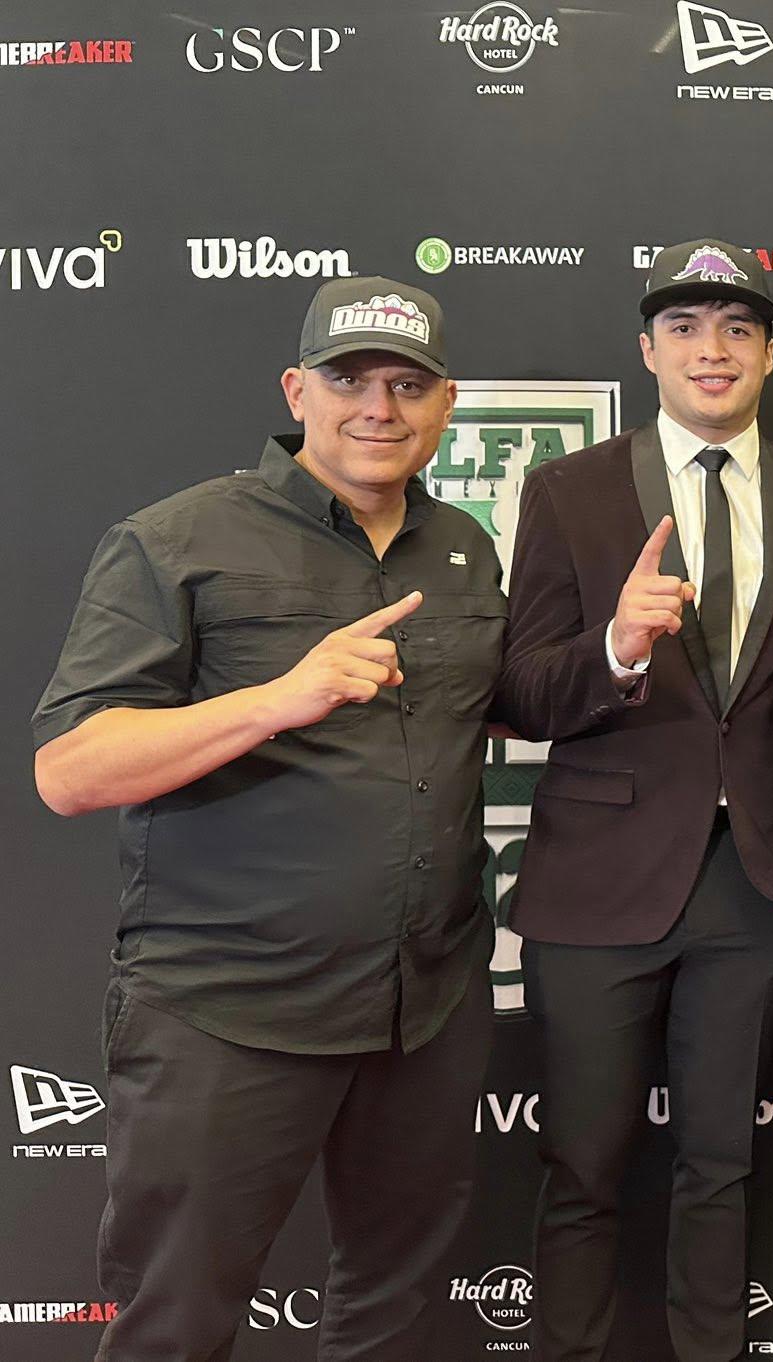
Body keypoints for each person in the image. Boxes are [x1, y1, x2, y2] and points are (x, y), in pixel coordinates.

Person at [32, 278, 500, 1360]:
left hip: (422, 1005)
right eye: (348, 380)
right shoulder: (175, 538)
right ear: (297, 391)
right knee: (176, 1324)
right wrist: (277, 699)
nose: (377, 407)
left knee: (395, 1317)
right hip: (229, 1008)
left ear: (445, 405)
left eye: (407, 385)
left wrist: (615, 654)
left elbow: (490, 701)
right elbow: (70, 770)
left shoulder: (464, 546)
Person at [494, 238, 773, 1362]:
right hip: (595, 887)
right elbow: (516, 692)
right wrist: (613, 646)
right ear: (648, 350)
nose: (714, 350)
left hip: (756, 884)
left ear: (769, 356)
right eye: (687, 328)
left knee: (721, 1164)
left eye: (738, 329)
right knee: (582, 1164)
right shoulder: (568, 491)